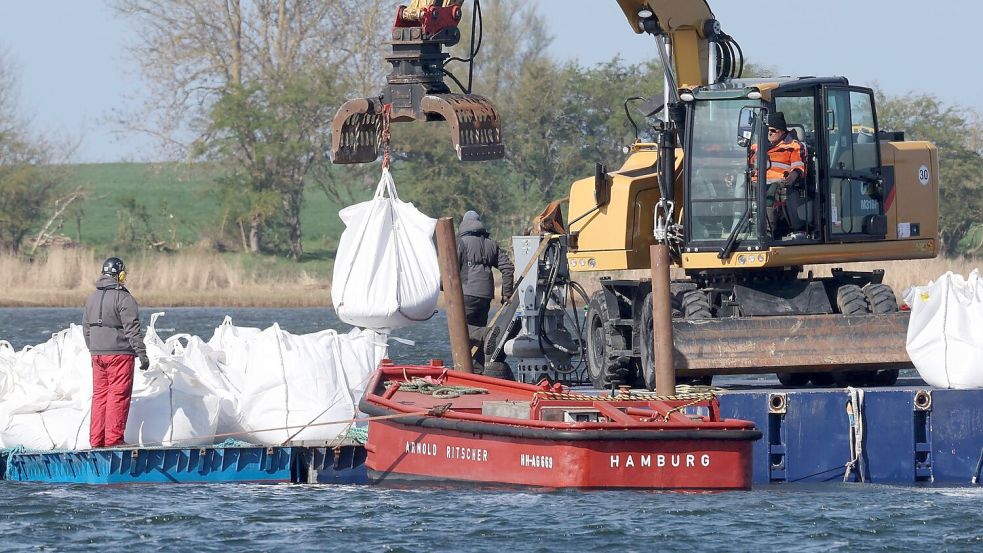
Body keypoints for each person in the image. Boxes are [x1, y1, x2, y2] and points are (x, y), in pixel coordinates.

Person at [82, 257, 149, 448]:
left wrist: (93, 350)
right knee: (118, 395)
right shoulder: (124, 297)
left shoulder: (91, 297)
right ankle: (114, 441)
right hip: (120, 354)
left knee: (100, 396)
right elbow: (132, 329)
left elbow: (86, 328)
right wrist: (141, 354)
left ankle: (96, 442)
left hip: (97, 355)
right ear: (119, 275)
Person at [749, 111, 807, 237]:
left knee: (770, 191)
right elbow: (748, 163)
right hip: (756, 181)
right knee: (740, 184)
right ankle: (734, 225)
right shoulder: (757, 145)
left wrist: (793, 176)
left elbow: (798, 166)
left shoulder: (793, 146)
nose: (769, 133)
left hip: (779, 182)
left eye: (773, 130)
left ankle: (766, 233)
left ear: (782, 131)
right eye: (767, 130)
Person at [457, 210, 515, 327]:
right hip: (485, 296)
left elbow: (450, 272)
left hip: (466, 295)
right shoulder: (491, 244)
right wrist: (506, 294)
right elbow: (508, 267)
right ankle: (483, 337)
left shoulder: (459, 243)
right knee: (477, 328)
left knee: (461, 331)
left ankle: (483, 335)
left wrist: (441, 286)